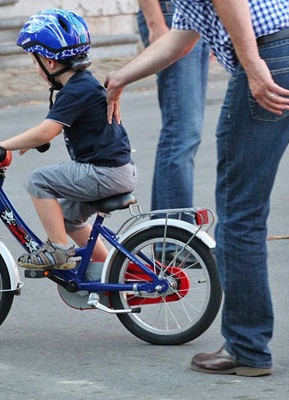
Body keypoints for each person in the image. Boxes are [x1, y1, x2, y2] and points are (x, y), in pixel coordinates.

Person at [105, 0, 289, 377]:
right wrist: (120, 77)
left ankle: (247, 346)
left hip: (269, 54)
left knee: (241, 215)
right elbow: (181, 41)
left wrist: (251, 63)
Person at [0, 9, 137, 270]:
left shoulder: (77, 90)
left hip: (105, 173)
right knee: (66, 218)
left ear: (49, 62)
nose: (36, 67)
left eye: (35, 61)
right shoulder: (80, 85)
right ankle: (109, 269)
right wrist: (30, 141)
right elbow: (50, 128)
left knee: (38, 180)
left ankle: (58, 249)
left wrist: (2, 145)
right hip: (115, 171)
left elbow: (46, 131)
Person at [137, 0, 209, 215]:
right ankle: (172, 235)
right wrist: (155, 23)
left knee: (185, 134)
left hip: (196, 17)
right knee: (182, 133)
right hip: (170, 15)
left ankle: (166, 234)